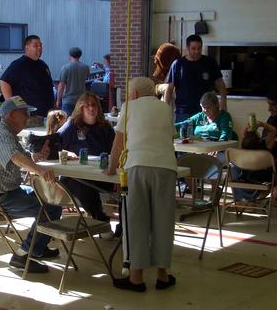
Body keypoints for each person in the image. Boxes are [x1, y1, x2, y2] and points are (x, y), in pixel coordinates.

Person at [0, 96, 61, 274]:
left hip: (3, 192)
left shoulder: (6, 133)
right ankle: (23, 255)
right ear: (11, 115)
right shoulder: (2, 135)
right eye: (24, 113)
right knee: (50, 208)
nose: (28, 117)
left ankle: (38, 246)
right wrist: (39, 170)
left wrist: (36, 158)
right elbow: (15, 158)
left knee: (52, 201)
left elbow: (21, 157)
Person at [107, 77, 177, 292]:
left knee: (135, 219)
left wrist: (110, 169)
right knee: (162, 220)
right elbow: (168, 139)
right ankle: (162, 275)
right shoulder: (165, 108)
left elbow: (119, 144)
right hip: (166, 168)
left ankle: (136, 277)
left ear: (134, 94)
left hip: (136, 168)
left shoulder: (129, 107)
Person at [58, 92, 115, 222]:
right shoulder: (72, 125)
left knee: (127, 188)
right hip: (76, 176)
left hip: (102, 174)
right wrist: (66, 152)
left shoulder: (105, 127)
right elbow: (54, 146)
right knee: (83, 187)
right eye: (87, 105)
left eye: (94, 105)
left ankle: (123, 228)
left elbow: (116, 150)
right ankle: (101, 220)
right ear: (80, 108)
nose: (91, 108)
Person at [165, 34, 227, 122]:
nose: (197, 51)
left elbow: (220, 83)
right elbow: (169, 88)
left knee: (206, 136)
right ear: (187, 48)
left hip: (206, 111)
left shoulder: (210, 62)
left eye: (199, 48)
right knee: (183, 136)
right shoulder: (178, 64)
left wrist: (223, 101)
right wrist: (165, 109)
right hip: (184, 113)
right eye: (193, 48)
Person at [0, 35, 54, 118]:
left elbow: (49, 87)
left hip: (46, 114)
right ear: (27, 48)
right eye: (35, 45)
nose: (39, 48)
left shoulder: (43, 65)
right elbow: (4, 82)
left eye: (40, 45)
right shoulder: (19, 64)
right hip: (28, 116)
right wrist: (11, 106)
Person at [55, 47, 90, 115]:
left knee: (67, 122)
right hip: (81, 100)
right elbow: (86, 79)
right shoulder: (85, 67)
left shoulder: (65, 67)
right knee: (80, 122)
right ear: (80, 55)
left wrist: (58, 100)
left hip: (68, 100)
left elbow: (61, 86)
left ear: (70, 55)